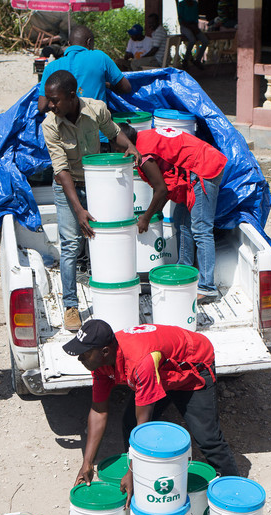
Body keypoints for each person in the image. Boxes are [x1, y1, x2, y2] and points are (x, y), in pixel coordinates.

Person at [66, 319, 241, 494]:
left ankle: (234, 494)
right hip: (162, 369)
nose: (79, 358)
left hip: (192, 365)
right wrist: (87, 463)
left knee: (208, 438)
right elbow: (99, 411)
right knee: (130, 423)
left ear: (105, 351)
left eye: (84, 354)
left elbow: (144, 427)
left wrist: (134, 469)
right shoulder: (100, 363)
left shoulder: (140, 362)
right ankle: (140, 480)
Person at [40, 70, 140, 331]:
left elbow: (113, 132)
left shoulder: (96, 109)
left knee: (104, 237)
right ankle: (71, 306)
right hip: (67, 186)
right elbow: (61, 171)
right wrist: (79, 210)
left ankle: (109, 291)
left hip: (97, 183)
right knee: (71, 245)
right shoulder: (50, 125)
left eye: (55, 100)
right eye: (49, 99)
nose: (49, 105)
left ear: (72, 96)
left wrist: (129, 146)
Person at [119, 122, 227, 301]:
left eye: (114, 145)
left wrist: (146, 218)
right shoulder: (144, 138)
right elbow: (165, 187)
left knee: (201, 230)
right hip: (194, 168)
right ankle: (184, 270)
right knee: (181, 220)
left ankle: (207, 287)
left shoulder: (143, 153)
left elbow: (161, 190)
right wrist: (153, 213)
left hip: (203, 167)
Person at [39, 25, 131, 109]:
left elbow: (42, 106)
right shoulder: (100, 57)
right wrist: (108, 86)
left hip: (64, 121)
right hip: (95, 120)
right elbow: (126, 88)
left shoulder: (51, 67)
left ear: (69, 43)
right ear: (89, 42)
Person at [178, 0, 209, 68]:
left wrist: (195, 28)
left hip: (194, 26)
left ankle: (198, 60)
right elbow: (181, 20)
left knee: (205, 41)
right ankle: (185, 60)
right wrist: (190, 27)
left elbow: (196, 17)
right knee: (192, 40)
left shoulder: (195, 4)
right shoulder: (181, 4)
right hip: (185, 26)